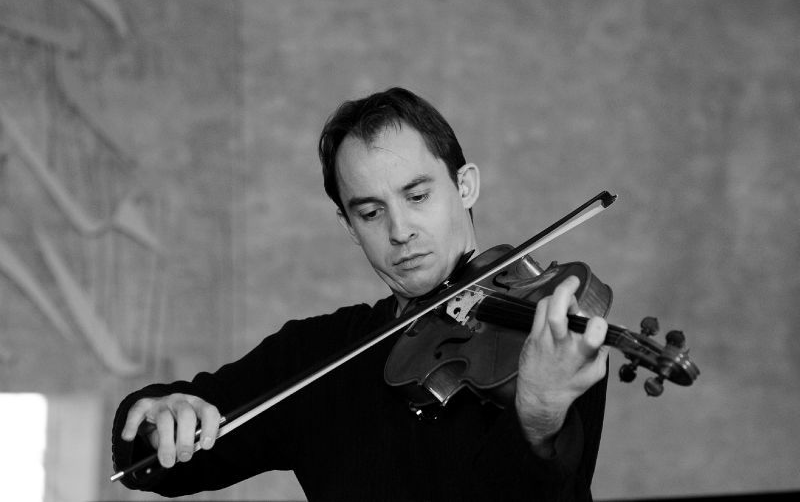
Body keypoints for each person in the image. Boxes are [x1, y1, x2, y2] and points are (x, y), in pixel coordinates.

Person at [111, 87, 609, 501]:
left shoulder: (546, 334)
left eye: (418, 196)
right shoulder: (319, 354)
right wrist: (158, 419)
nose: (400, 230)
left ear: (465, 187)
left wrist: (537, 415)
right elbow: (159, 464)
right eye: (370, 213)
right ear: (349, 226)